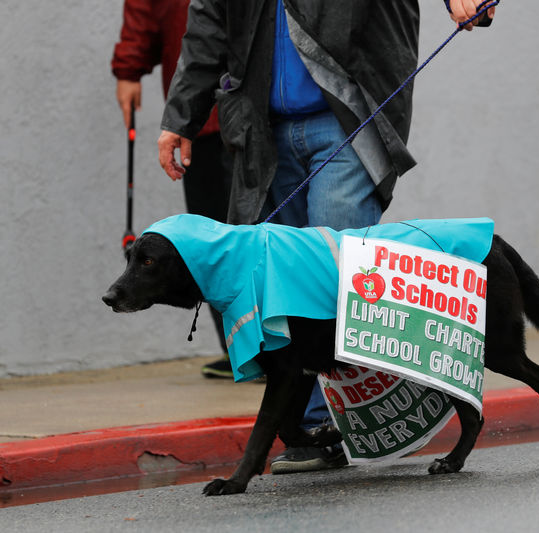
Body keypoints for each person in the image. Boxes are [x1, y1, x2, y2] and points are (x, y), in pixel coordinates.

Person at [156, 0, 495, 474]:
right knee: (286, 289)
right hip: (261, 132)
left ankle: (356, 416)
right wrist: (181, 117)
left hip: (348, 118)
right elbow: (209, 21)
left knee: (333, 279)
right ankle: (313, 430)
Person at [111, 0, 235, 379]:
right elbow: (144, 10)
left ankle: (264, 349)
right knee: (214, 238)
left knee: (246, 233)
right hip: (203, 122)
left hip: (251, 116)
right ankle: (240, 349)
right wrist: (128, 70)